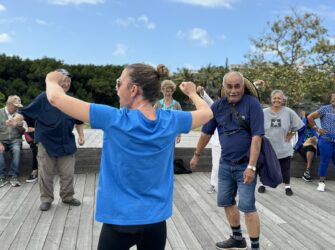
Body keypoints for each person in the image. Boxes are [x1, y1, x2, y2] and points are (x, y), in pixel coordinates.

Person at [42, 64, 212, 250]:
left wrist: (51, 79)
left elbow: (55, 97)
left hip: (120, 222)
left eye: (119, 82)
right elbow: (207, 113)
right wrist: (192, 93)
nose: (116, 88)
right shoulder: (171, 120)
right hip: (155, 222)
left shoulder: (113, 119)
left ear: (133, 89)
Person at [191, 72, 263, 250]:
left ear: (243, 86)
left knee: (247, 206)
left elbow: (257, 137)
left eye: (237, 86)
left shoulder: (252, 104)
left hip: (246, 164)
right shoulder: (217, 106)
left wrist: (251, 166)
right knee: (226, 201)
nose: (233, 90)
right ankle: (237, 238)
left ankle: (255, 247)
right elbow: (206, 132)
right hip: (225, 164)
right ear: (223, 87)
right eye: (229, 87)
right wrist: (197, 154)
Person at [9, 69, 85, 211]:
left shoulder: (71, 99)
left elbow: (79, 120)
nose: (66, 83)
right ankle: (46, 199)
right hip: (46, 141)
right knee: (45, 174)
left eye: (68, 81)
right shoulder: (44, 97)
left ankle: (67, 197)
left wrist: (81, 135)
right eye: (63, 80)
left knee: (67, 173)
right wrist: (15, 120)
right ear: (56, 82)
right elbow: (25, 112)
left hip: (66, 141)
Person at [258, 90, 304, 196]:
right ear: (271, 99)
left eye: (279, 98)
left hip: (283, 146)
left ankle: (287, 186)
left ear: (283, 100)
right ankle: (262, 184)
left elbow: (299, 125)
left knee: (285, 168)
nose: (277, 100)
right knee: (264, 167)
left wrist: (291, 133)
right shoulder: (263, 112)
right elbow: (256, 126)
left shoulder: (289, 112)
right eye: (275, 98)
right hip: (267, 147)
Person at [308, 92, 335, 193]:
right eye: (333, 98)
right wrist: (317, 129)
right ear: (331, 99)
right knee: (324, 161)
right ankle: (321, 182)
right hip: (326, 140)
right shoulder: (325, 109)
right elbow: (310, 117)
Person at [194, 86, 221, 194]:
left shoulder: (235, 106)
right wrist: (202, 92)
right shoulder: (216, 106)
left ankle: (233, 187)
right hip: (217, 144)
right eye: (220, 96)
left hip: (231, 144)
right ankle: (213, 185)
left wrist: (256, 85)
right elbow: (208, 101)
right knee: (216, 165)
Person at [0, 95, 26, 187]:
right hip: (1, 140)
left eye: (18, 106)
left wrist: (17, 126)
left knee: (17, 150)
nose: (17, 108)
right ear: (8, 104)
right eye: (15, 106)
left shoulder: (19, 114)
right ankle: (1, 177)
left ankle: (13, 176)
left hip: (15, 140)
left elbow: (23, 131)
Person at [294, 114, 318, 182]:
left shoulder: (313, 129)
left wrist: (315, 138)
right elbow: (301, 126)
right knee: (310, 147)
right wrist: (304, 117)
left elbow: (318, 137)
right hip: (301, 146)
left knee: (311, 147)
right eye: (310, 120)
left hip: (311, 147)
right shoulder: (301, 128)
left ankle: (307, 172)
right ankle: (307, 172)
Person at [24, 116, 38, 183]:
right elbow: (25, 130)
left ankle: (35, 171)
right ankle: (35, 170)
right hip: (34, 138)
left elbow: (51, 128)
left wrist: (35, 129)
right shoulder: (28, 114)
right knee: (35, 146)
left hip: (47, 136)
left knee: (36, 146)